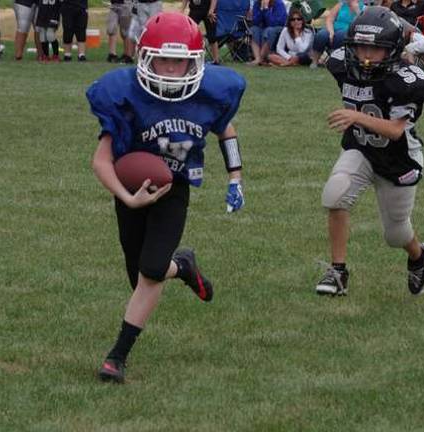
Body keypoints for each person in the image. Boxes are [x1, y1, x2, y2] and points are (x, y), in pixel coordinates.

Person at [86, 12, 246, 383]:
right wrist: (127, 198)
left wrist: (235, 177)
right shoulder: (124, 94)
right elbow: (100, 160)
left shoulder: (210, 91)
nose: (172, 69)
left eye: (181, 61)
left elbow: (226, 129)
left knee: (152, 270)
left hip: (173, 188)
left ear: (196, 61)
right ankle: (184, 266)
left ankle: (117, 357)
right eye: (164, 59)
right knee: (139, 272)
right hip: (132, 190)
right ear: (145, 57)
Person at [315, 6, 424, 297]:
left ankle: (419, 257)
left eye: (374, 48)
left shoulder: (405, 81)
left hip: (397, 159)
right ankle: (338, 271)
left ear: (392, 50)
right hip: (361, 147)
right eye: (361, 46)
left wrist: (357, 117)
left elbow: (395, 130)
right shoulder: (343, 63)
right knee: (335, 194)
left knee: (396, 235)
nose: (366, 55)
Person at [310, 0, 364, 68]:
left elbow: (363, 22)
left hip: (349, 31)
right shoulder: (341, 4)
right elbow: (329, 19)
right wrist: (331, 32)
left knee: (340, 35)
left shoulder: (364, 8)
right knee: (321, 35)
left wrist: (356, 10)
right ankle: (315, 61)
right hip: (333, 28)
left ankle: (334, 60)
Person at [249, 0, 288, 65]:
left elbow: (273, 23)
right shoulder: (257, 3)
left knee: (269, 31)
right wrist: (261, 9)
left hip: (278, 28)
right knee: (253, 30)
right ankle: (257, 58)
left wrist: (266, 9)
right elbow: (255, 22)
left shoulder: (279, 4)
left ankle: (262, 58)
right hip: (264, 28)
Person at [181, 0, 220, 64]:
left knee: (212, 36)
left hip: (208, 10)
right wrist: (182, 10)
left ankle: (216, 60)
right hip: (195, 10)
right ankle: (188, 56)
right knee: (189, 32)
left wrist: (211, 9)